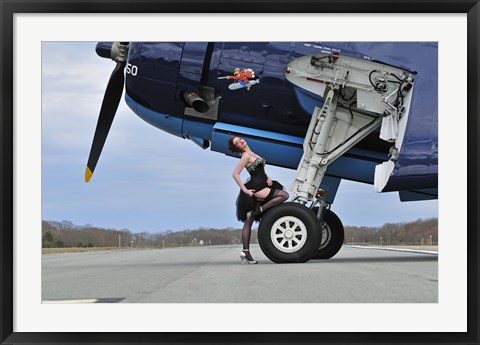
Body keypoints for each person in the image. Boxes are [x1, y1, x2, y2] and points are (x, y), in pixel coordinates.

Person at [228, 136, 289, 264]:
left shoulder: (251, 153)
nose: (241, 141)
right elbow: (235, 174)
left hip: (263, 183)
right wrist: (245, 190)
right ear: (237, 147)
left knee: (249, 220)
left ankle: (245, 252)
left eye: (240, 139)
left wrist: (268, 177)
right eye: (237, 143)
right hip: (256, 187)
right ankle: (260, 209)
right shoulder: (245, 156)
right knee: (284, 195)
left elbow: (259, 170)